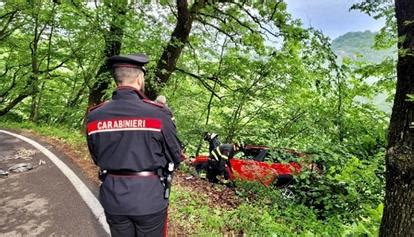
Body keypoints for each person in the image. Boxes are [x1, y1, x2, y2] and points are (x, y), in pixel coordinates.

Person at [86, 53, 182, 237]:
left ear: (116, 81)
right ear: (139, 78)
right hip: (150, 198)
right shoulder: (158, 114)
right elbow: (175, 156)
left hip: (113, 197)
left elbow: (96, 156)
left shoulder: (94, 116)